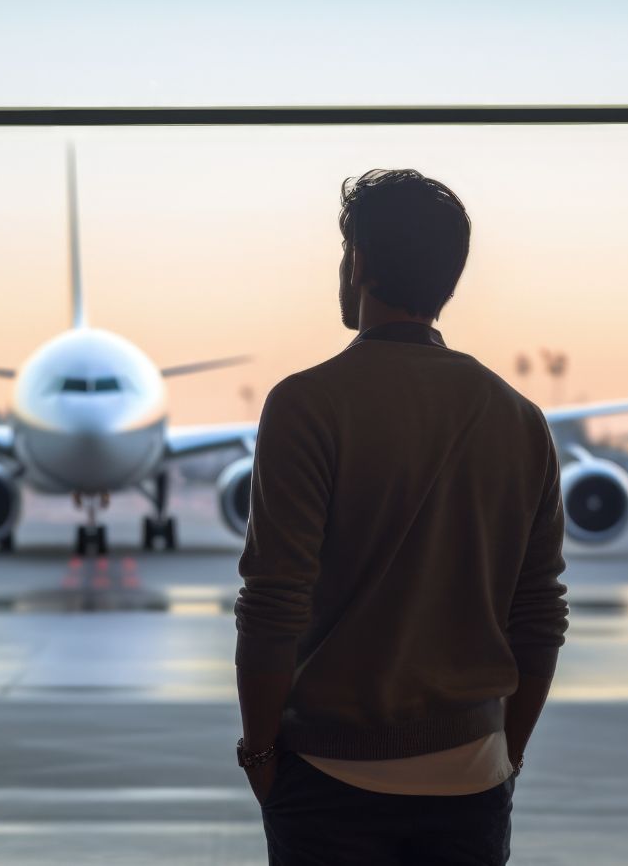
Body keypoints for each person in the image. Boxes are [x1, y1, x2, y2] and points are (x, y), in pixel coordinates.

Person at [235, 169, 569, 865]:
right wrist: (506, 752)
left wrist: (263, 755)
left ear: (357, 263)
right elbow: (539, 616)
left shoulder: (307, 405)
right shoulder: (520, 419)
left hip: (331, 778)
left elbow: (273, 605)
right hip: (473, 777)